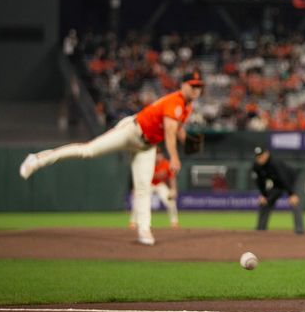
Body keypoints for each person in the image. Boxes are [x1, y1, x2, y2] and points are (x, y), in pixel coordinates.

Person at [19, 71, 205, 245]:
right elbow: (170, 132)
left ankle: (144, 230)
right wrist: (174, 157)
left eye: (199, 86)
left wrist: (187, 139)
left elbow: (177, 129)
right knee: (88, 151)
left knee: (142, 187)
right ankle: (37, 159)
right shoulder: (175, 102)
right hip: (131, 131)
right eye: (192, 85)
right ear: (183, 85)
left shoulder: (186, 107)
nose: (196, 89)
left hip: (147, 146)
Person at [251, 146, 305, 235]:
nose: (260, 158)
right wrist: (264, 195)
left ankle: (299, 230)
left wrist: (292, 194)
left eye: (261, 156)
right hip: (277, 184)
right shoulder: (256, 166)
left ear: (266, 154)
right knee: (265, 202)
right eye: (257, 157)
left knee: (295, 202)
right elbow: (259, 182)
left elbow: (284, 178)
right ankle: (260, 228)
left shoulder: (275, 163)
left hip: (292, 181)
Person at [129, 151, 180, 230]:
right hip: (149, 184)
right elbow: (139, 177)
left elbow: (172, 178)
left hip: (160, 184)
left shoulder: (166, 164)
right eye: (156, 155)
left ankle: (174, 222)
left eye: (159, 155)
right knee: (138, 200)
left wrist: (173, 189)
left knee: (171, 201)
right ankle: (133, 222)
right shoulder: (147, 164)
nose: (158, 157)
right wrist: (136, 188)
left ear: (162, 155)